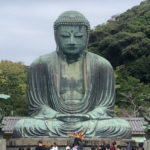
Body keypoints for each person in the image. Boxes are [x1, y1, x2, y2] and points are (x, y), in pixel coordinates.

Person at [13, 10, 131, 138]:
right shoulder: (40, 64)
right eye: (65, 36)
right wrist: (56, 115)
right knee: (22, 126)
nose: (72, 41)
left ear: (87, 36)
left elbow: (106, 107)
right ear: (56, 36)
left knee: (122, 127)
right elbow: (37, 106)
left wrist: (89, 116)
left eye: (78, 36)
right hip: (54, 121)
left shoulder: (102, 65)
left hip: (89, 121)